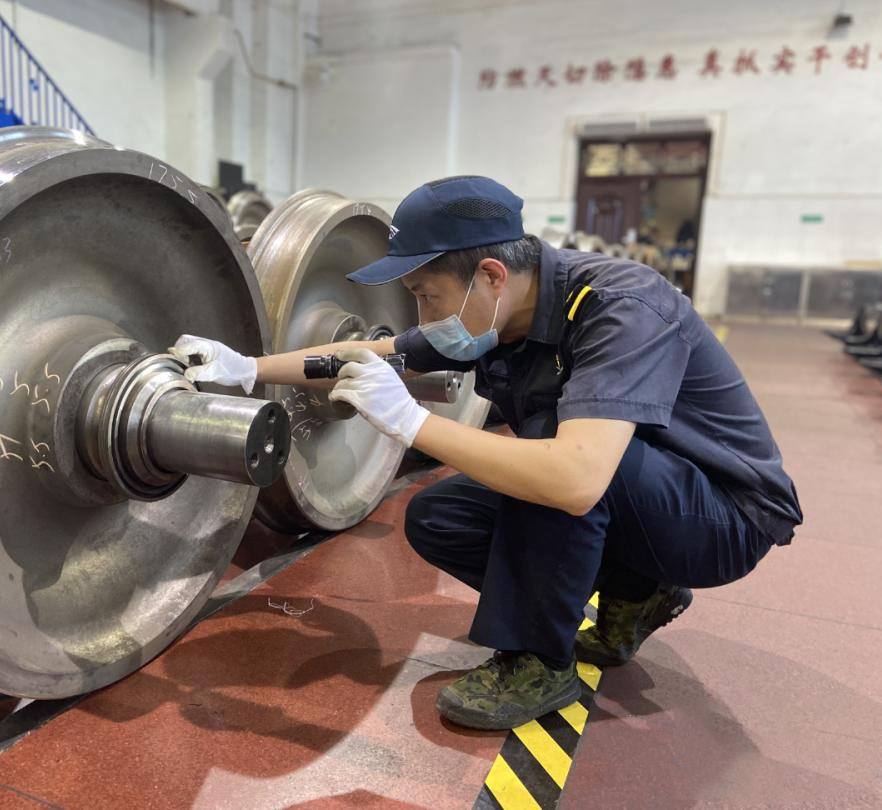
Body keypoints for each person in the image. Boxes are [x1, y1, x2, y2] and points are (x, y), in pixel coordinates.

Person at [171, 176, 802, 730]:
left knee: (547, 463)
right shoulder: (496, 313)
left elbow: (576, 479)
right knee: (441, 518)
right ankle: (641, 589)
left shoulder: (618, 309)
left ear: (491, 275)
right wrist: (244, 367)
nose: (421, 314)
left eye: (425, 295)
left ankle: (538, 662)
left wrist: (412, 424)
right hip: (640, 491)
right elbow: (372, 355)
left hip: (723, 517)